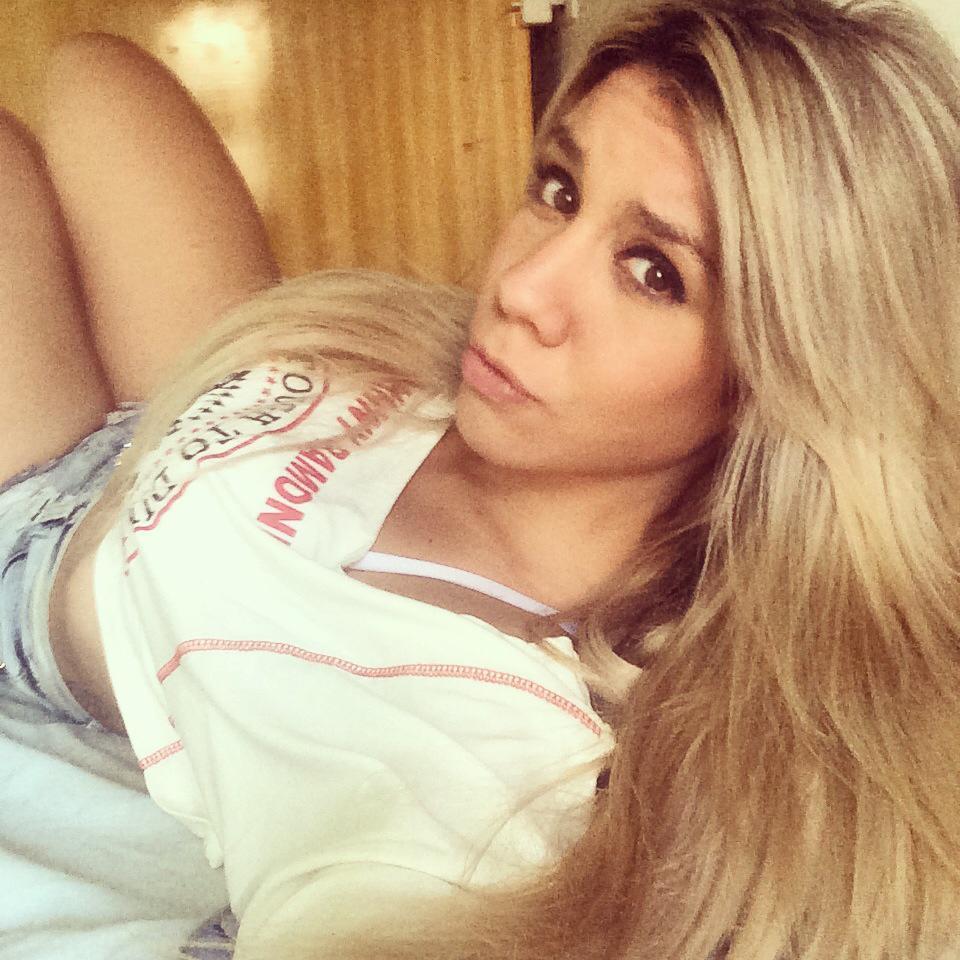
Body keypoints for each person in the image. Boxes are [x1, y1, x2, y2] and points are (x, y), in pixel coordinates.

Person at [2, 1, 959, 958]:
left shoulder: (466, 732)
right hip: (203, 395)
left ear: (775, 379)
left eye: (652, 271)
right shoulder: (479, 386)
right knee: (97, 73)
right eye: (561, 189)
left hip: (54, 541)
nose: (520, 288)